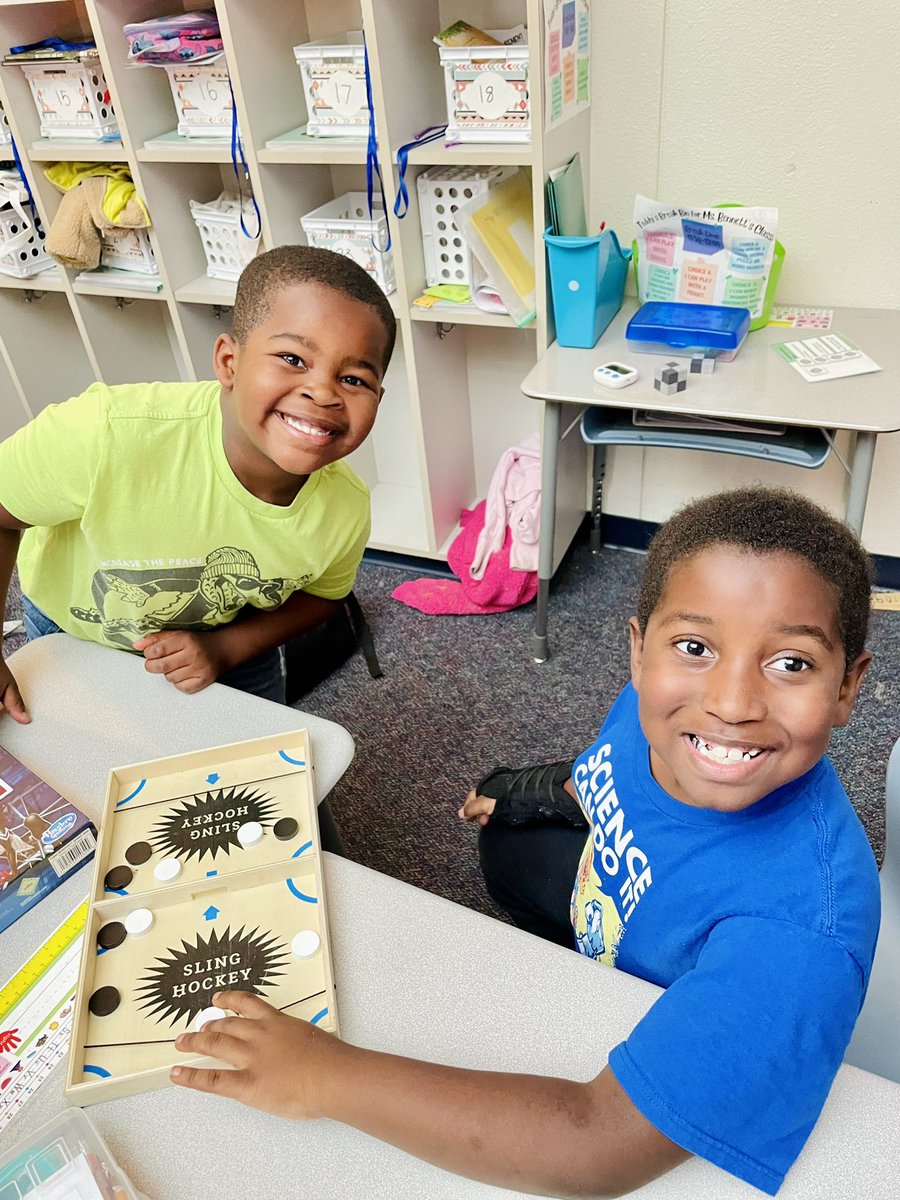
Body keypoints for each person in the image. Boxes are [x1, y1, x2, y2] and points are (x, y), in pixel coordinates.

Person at [168, 486, 880, 1197]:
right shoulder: (653, 708)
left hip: (677, 1004)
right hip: (625, 913)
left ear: (849, 687)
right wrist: (521, 792)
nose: (730, 703)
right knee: (503, 844)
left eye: (790, 663)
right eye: (695, 647)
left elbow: (594, 1149)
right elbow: (600, 775)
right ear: (638, 653)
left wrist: (324, 1075)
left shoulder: (799, 938)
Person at [0, 245, 396, 721]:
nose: (324, 392)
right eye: (292, 358)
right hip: (74, 632)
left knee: (251, 769)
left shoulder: (344, 508)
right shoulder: (105, 432)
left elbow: (325, 597)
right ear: (229, 362)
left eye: (354, 379)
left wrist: (225, 649)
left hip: (230, 644)